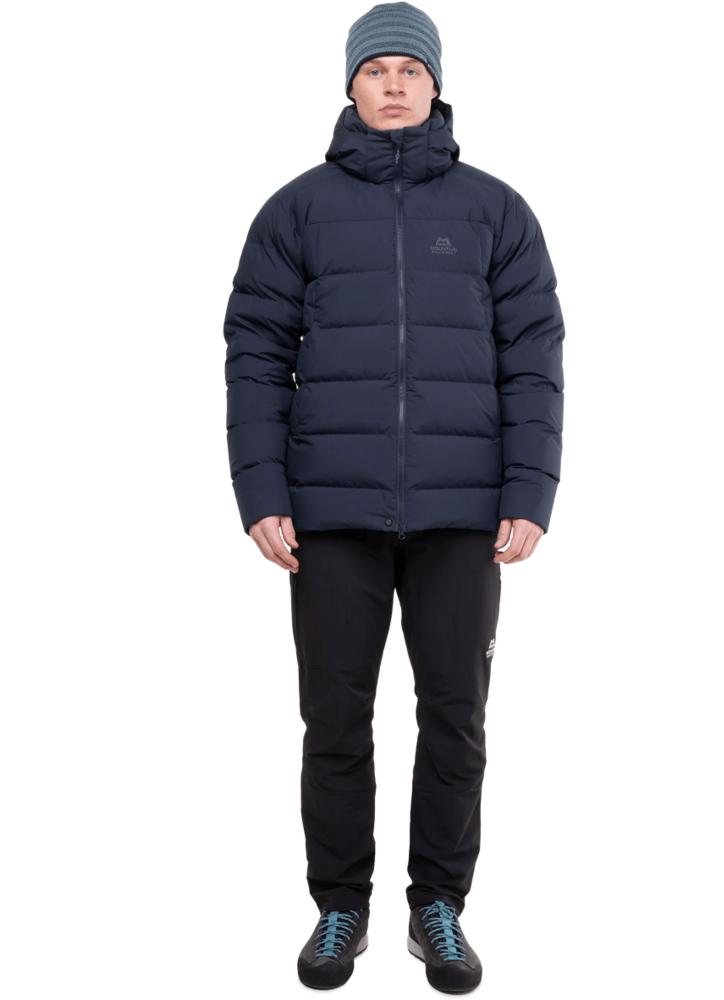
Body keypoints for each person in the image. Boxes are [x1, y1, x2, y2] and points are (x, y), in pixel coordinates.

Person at [222, 4, 565, 996]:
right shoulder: (294, 210)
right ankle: (339, 906)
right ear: (350, 87)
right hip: (329, 513)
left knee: (456, 714)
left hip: (465, 512)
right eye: (375, 70)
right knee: (335, 717)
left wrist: (530, 488)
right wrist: (260, 489)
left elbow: (535, 358)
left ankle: (438, 904)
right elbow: (252, 353)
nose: (394, 85)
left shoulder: (498, 211)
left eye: (409, 69)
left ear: (436, 84)